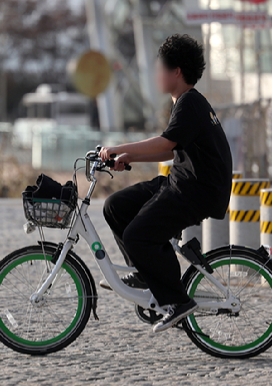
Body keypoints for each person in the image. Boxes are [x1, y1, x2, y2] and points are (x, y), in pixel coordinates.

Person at [99, 34, 232, 333]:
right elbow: (169, 149)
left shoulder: (190, 104)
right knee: (115, 206)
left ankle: (176, 301)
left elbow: (166, 141)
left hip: (194, 191)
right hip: (182, 183)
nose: (155, 74)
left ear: (177, 72)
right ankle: (146, 274)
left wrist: (120, 147)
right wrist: (129, 155)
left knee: (137, 235)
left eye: (159, 68)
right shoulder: (185, 103)